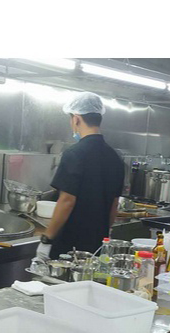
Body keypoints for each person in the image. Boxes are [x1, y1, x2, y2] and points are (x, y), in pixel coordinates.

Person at [37, 92, 125, 260]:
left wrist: (47, 239)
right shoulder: (115, 157)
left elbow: (66, 201)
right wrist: (104, 233)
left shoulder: (74, 154)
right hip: (97, 244)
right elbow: (114, 204)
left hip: (70, 246)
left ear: (76, 119)